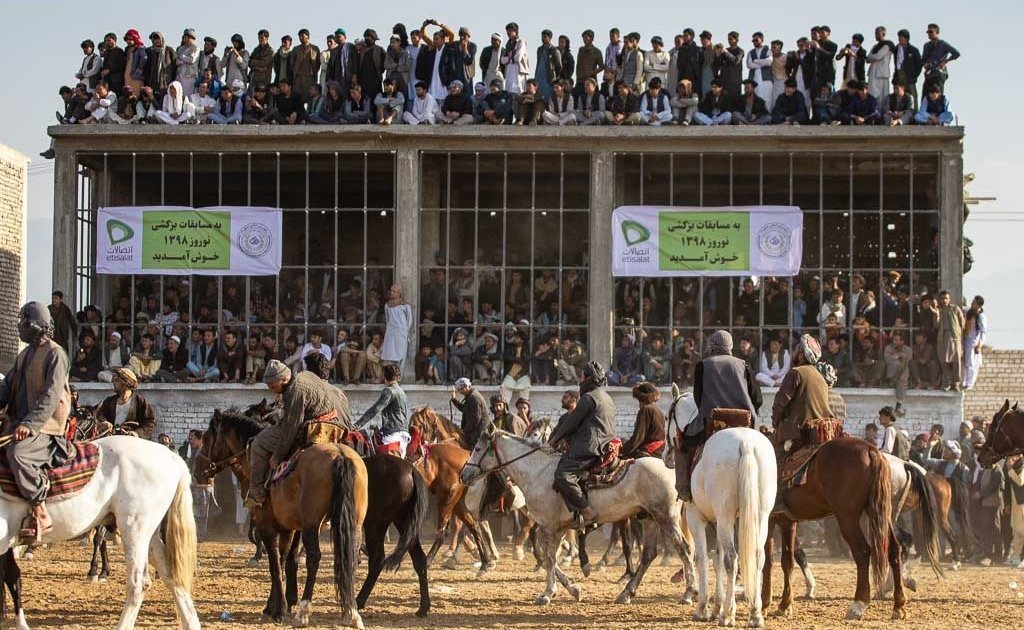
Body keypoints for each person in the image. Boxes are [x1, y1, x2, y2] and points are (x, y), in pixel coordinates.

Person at [0, 302, 73, 541]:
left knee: (18, 454)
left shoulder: (55, 353)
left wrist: (30, 424)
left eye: (25, 322)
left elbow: (51, 396)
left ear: (38, 326)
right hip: (20, 422)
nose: (20, 326)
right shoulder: (25, 354)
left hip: (46, 426)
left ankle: (40, 510)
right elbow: (8, 387)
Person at [244, 359, 345, 509]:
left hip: (313, 427)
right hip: (336, 426)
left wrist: (277, 456)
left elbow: (292, 427)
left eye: (273, 384)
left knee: (258, 443)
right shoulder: (306, 376)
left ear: (284, 379)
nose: (271, 388)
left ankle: (257, 492)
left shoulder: (294, 391)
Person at [676, 330, 761, 502]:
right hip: (745, 421)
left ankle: (684, 489)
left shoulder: (703, 365)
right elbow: (757, 398)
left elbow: (699, 399)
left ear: (712, 347)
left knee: (683, 440)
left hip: (713, 422)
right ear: (730, 347)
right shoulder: (743, 364)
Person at [547, 361, 617, 528]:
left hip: (591, 447)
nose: (579, 379)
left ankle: (587, 511)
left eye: (581, 376)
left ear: (587, 378)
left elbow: (573, 422)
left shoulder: (588, 398)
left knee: (562, 475)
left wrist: (555, 439)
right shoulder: (606, 397)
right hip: (605, 443)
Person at [770, 335, 837, 507]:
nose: (794, 353)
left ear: (801, 354)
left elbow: (779, 404)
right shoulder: (820, 375)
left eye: (796, 350)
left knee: (774, 455)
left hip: (800, 430)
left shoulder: (796, 373)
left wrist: (775, 423)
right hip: (823, 429)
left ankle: (777, 501)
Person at [354, 364, 411, 457]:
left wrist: (357, 425)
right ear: (398, 377)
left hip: (392, 434)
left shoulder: (389, 391)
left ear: (384, 377)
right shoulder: (402, 392)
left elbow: (375, 409)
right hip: (404, 435)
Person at [95, 367, 157, 439]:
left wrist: (137, 433)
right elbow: (100, 416)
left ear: (126, 382)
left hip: (132, 442)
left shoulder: (140, 401)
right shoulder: (109, 401)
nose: (113, 383)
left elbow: (150, 423)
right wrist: (104, 422)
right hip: (112, 439)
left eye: (116, 380)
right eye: (113, 380)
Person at [622, 382, 666, 459]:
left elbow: (638, 438)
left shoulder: (645, 410)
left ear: (642, 399)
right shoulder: (659, 411)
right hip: (660, 451)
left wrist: (623, 450)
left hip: (649, 452)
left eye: (639, 400)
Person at [935, 290, 966, 390]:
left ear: (949, 299)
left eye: (946, 298)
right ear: (940, 299)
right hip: (942, 338)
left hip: (954, 337)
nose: (944, 300)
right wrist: (936, 314)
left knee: (956, 361)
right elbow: (936, 325)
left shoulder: (955, 309)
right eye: (943, 298)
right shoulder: (938, 310)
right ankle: (948, 382)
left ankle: (956, 383)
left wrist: (961, 337)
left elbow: (962, 323)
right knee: (944, 361)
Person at [451, 377, 490, 450]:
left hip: (478, 433)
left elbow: (475, 419)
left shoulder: (474, 397)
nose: (459, 392)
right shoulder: (470, 396)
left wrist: (464, 432)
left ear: (465, 387)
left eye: (460, 389)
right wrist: (454, 400)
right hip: (475, 431)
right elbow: (465, 409)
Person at [921, 24, 960, 94]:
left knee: (938, 96)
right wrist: (925, 64)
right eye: (928, 32)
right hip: (929, 74)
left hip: (939, 74)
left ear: (937, 32)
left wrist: (946, 61)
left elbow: (956, 53)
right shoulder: (926, 45)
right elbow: (923, 59)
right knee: (926, 97)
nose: (929, 34)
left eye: (931, 32)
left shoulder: (943, 44)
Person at [289, 29, 321, 104]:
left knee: (310, 97)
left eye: (303, 36)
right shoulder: (296, 49)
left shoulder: (315, 48)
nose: (301, 38)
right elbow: (291, 64)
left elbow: (318, 63)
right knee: (297, 98)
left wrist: (313, 73)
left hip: (310, 77)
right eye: (299, 36)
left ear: (308, 37)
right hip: (298, 78)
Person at [963, 295, 987, 390]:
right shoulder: (969, 313)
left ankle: (969, 383)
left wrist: (980, 345)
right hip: (967, 341)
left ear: (978, 305)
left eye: (974, 303)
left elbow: (983, 332)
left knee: (972, 364)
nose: (972, 304)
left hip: (974, 343)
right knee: (966, 363)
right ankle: (965, 381)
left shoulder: (981, 316)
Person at [893, 30, 922, 105]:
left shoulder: (913, 50)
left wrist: (914, 76)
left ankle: (914, 113)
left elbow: (919, 64)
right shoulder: (896, 49)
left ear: (906, 38)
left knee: (912, 95)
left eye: (901, 37)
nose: (899, 39)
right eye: (899, 37)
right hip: (899, 75)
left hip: (910, 77)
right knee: (899, 95)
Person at [866, 27, 894, 104]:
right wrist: (872, 57)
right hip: (873, 73)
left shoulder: (888, 44)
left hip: (882, 73)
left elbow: (878, 56)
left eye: (878, 33)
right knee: (872, 94)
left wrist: (872, 57)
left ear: (883, 33)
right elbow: (868, 58)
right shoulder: (875, 46)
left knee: (883, 97)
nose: (876, 35)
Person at [500, 22, 530, 94]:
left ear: (515, 31)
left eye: (510, 30)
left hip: (519, 71)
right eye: (507, 31)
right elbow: (502, 60)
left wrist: (509, 57)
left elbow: (517, 58)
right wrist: (511, 57)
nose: (508, 33)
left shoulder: (521, 42)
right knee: (509, 93)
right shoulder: (508, 44)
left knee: (518, 92)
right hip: (509, 71)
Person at [1006, 455, 1024, 569]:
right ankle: (1016, 556)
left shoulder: (1022, 465)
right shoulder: (1016, 465)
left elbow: (1020, 481)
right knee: (1016, 530)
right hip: (1016, 503)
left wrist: (1010, 470)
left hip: (1022, 503)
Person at [746, 32, 773, 104]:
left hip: (766, 79)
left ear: (762, 39)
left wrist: (755, 61)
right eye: (753, 41)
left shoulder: (768, 50)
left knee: (767, 99)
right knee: (755, 99)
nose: (754, 42)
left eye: (756, 40)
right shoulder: (750, 52)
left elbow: (769, 62)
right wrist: (762, 64)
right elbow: (749, 65)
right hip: (754, 79)